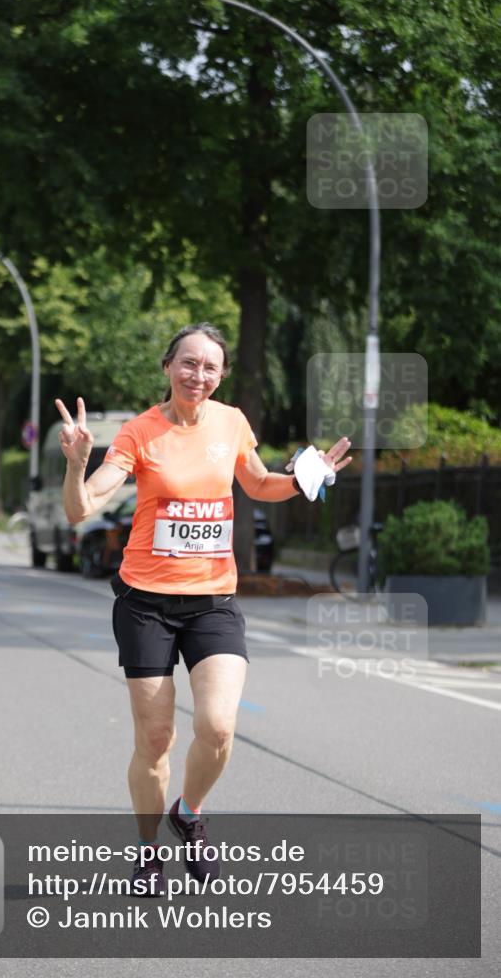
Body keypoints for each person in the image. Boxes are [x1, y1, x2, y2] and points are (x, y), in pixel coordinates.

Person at [55, 323, 352, 897]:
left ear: (221, 376)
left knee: (216, 727)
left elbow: (260, 483)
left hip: (214, 600)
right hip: (145, 605)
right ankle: (148, 854)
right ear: (168, 367)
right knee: (157, 737)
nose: (199, 375)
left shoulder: (232, 421)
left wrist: (307, 479)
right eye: (188, 363)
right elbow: (81, 509)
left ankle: (188, 812)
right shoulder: (139, 432)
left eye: (210, 367)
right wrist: (76, 465)